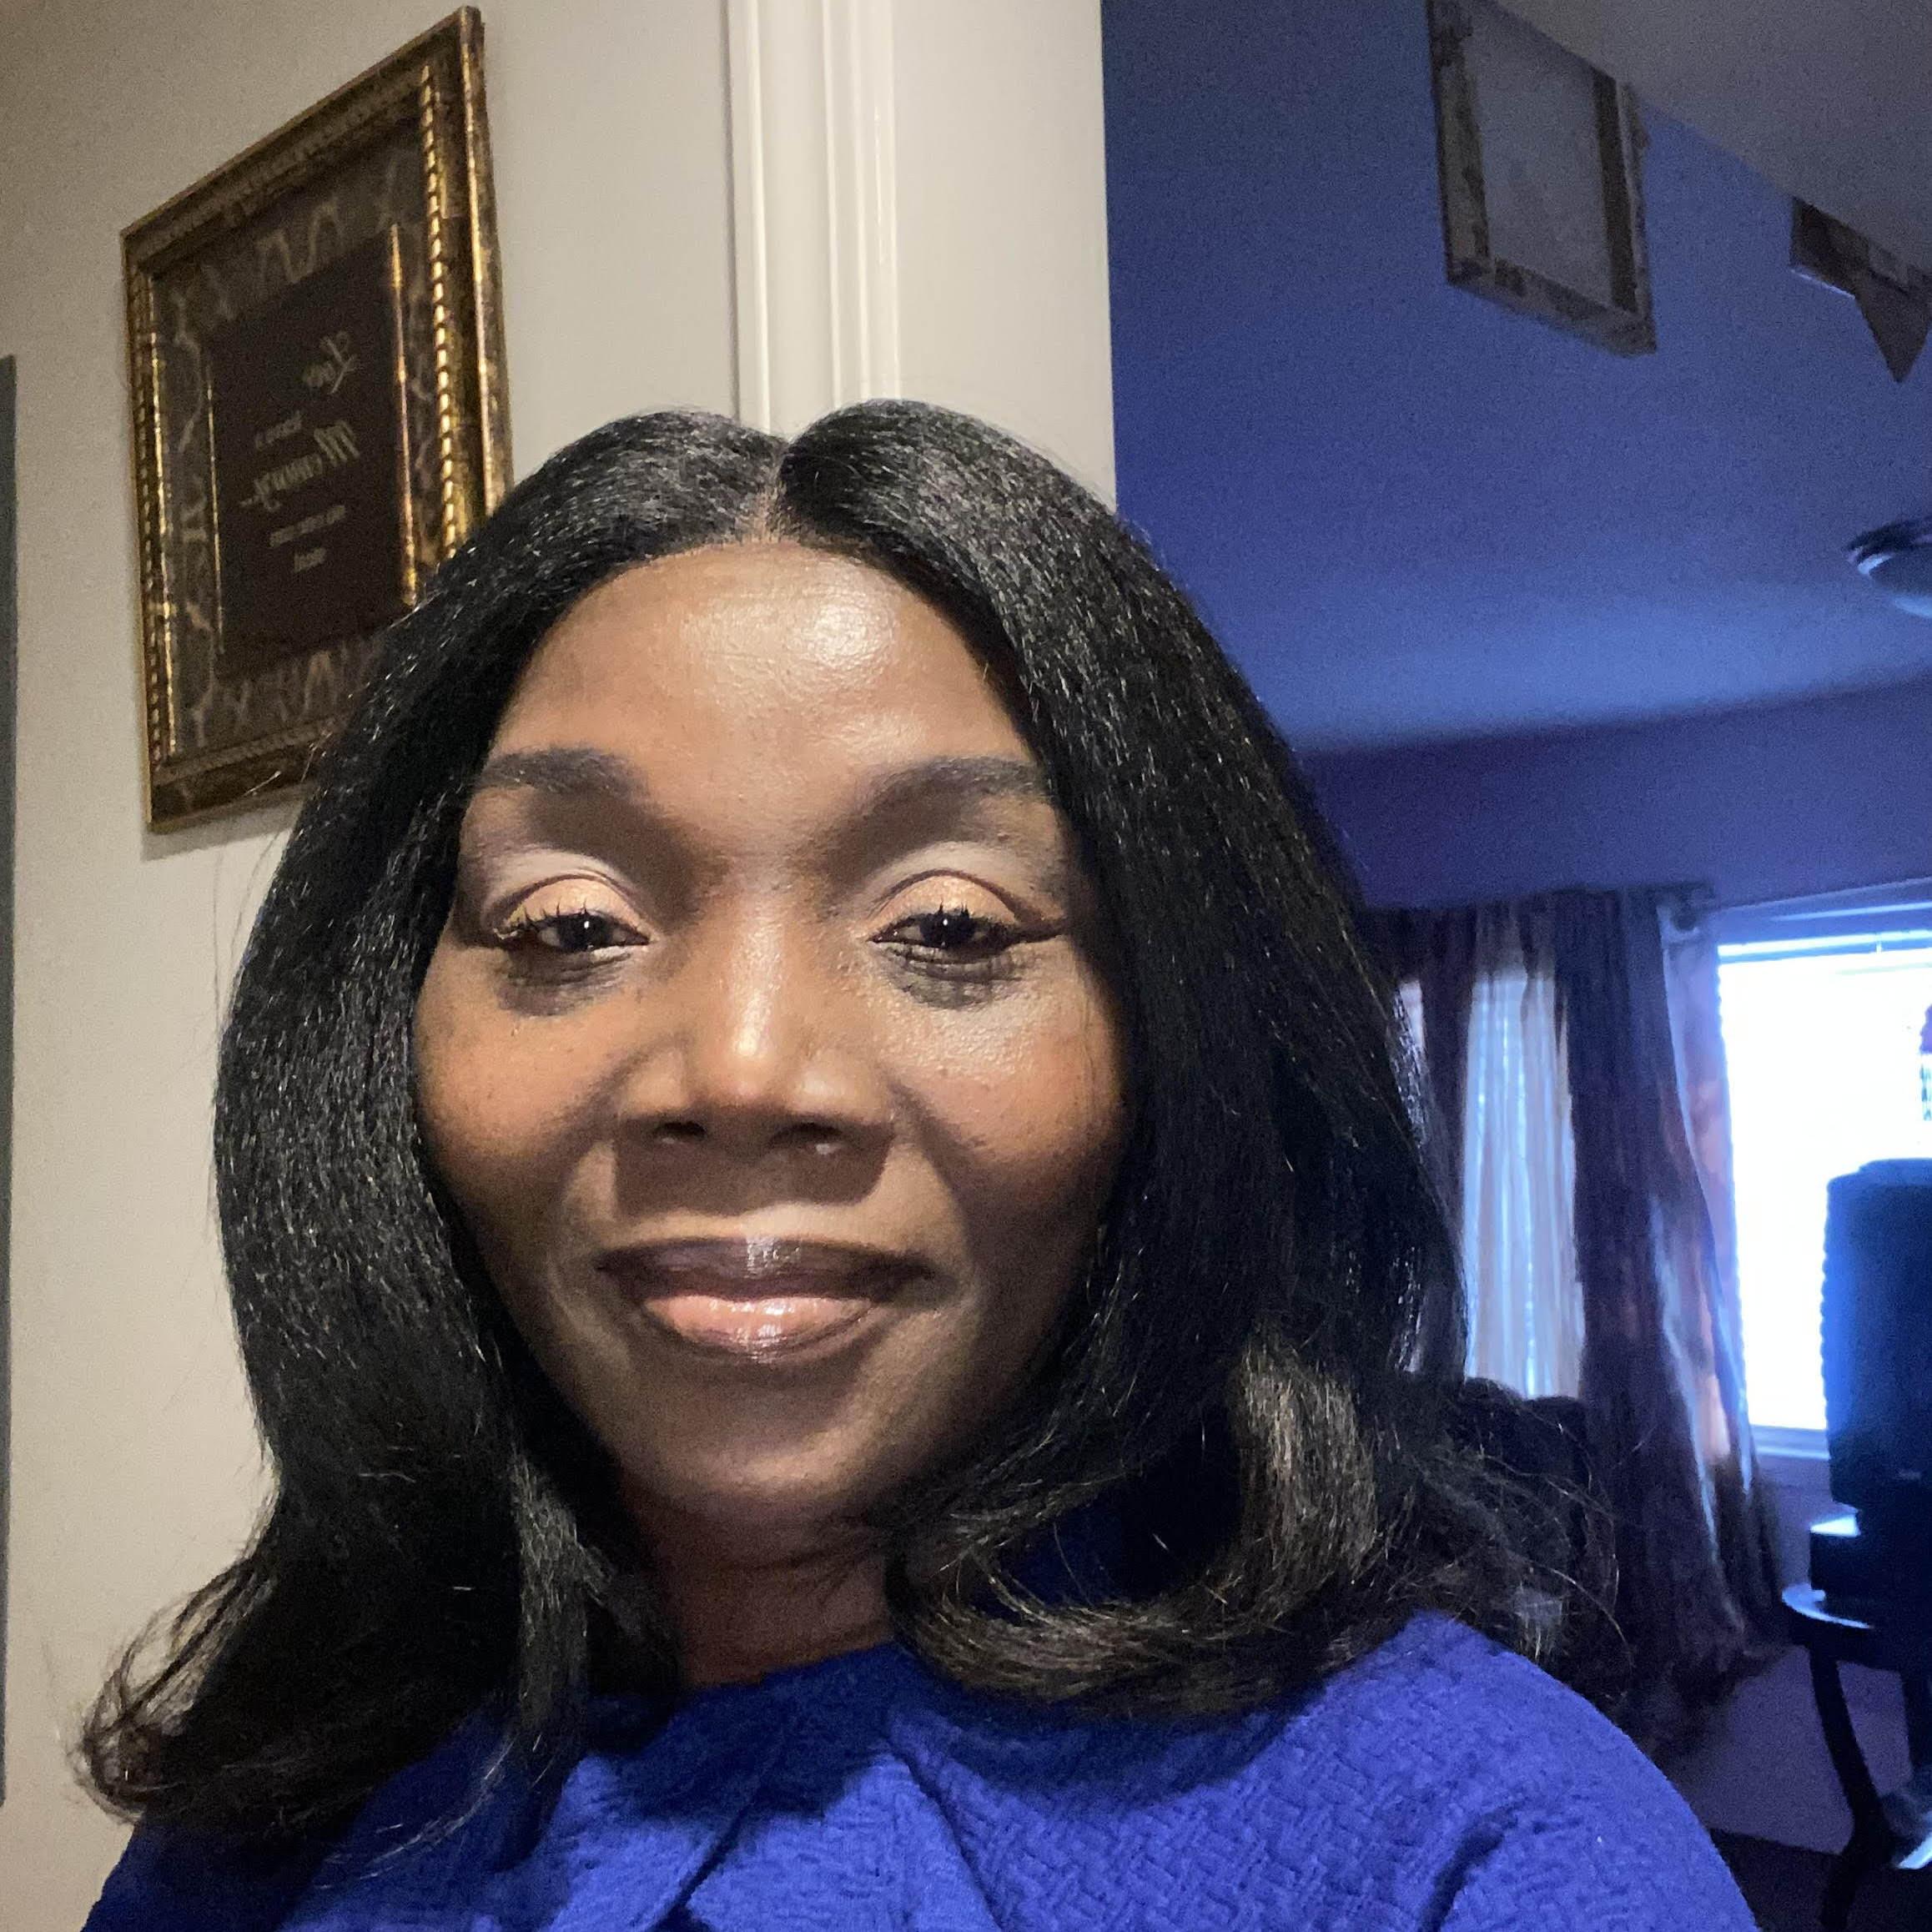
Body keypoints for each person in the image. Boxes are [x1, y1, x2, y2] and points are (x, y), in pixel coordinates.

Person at [78, 402, 1753, 1929]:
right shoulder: (304, 1766)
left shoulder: (1490, 1861)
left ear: (1184, 1047)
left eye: (949, 925)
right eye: (570, 925)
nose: (742, 1072)